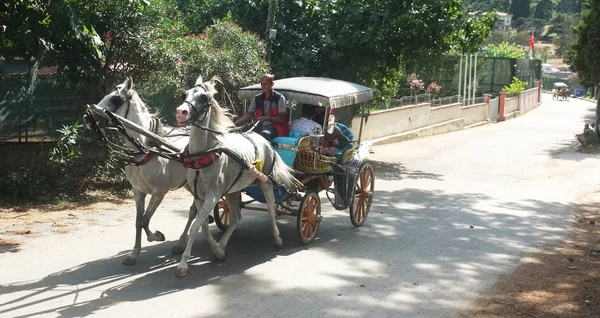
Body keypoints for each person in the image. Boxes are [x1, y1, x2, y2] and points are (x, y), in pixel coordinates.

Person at [234, 74, 289, 140]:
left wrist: (266, 118)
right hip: (258, 126)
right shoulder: (257, 98)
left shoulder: (279, 98)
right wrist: (233, 125)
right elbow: (248, 115)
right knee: (238, 131)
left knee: (263, 135)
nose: (263, 86)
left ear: (272, 84)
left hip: (274, 128)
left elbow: (282, 119)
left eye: (265, 84)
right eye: (262, 84)